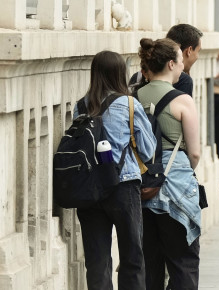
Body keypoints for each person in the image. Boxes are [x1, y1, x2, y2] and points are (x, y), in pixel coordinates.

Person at [75, 50, 155, 290]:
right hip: (123, 186)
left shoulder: (81, 106)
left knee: (97, 260)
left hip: (90, 189)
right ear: (120, 73)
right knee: (132, 257)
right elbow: (148, 149)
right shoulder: (129, 104)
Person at [136, 38, 202, 290]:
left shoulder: (132, 97)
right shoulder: (183, 100)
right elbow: (194, 153)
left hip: (142, 186)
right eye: (181, 60)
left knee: (150, 261)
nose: (184, 65)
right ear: (172, 63)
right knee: (183, 261)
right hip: (176, 187)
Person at [130, 24, 203, 96]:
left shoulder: (137, 76)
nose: (197, 56)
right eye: (198, 51)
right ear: (189, 50)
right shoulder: (184, 80)